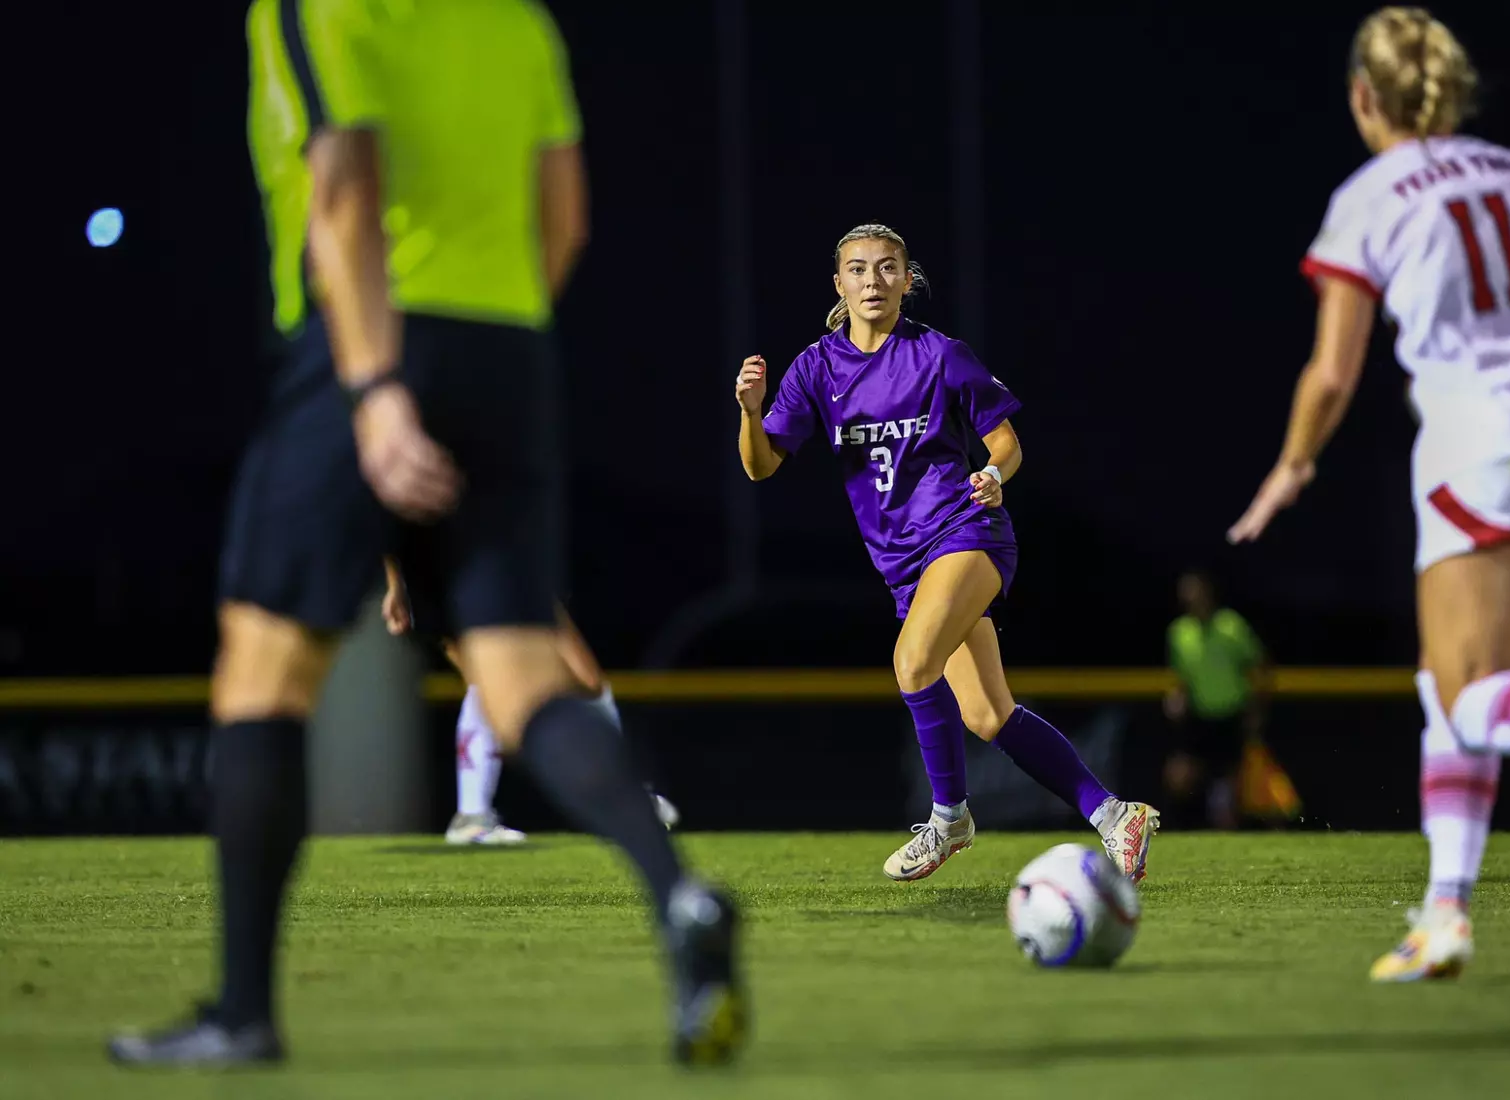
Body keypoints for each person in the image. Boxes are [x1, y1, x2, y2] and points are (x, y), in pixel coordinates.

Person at [109, 0, 744, 1067]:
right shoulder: (520, 25)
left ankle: (244, 1013)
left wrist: (379, 387)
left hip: (365, 339)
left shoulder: (316, 9)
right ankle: (680, 896)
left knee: (262, 677)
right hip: (512, 355)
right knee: (528, 681)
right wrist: (481, 366)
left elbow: (344, 186)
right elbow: (568, 219)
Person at [1227, 7, 1510, 983]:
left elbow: (1332, 374)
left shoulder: (1369, 195)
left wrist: (1294, 461)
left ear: (1363, 98)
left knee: (1465, 688)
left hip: (1482, 448)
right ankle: (1445, 915)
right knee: (1453, 684)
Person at [735, 223, 1161, 884]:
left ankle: (949, 818)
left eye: (886, 269)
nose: (872, 282)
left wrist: (994, 473)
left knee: (912, 661)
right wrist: (749, 410)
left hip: (965, 534)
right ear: (839, 285)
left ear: (908, 280)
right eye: (858, 270)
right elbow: (762, 466)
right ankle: (1114, 814)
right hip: (904, 566)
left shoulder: (940, 356)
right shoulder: (817, 367)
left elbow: (1007, 443)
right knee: (989, 714)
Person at [378, 559, 681, 844]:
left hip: (487, 562)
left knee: (581, 679)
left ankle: (625, 796)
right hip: (451, 567)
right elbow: (394, 514)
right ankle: (472, 815)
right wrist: (396, 583)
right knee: (492, 681)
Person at [1163, 570, 1272, 829]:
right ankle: (1179, 830)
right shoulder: (1179, 632)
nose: (1191, 596)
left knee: (1233, 786)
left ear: (1208, 591)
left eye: (1195, 589)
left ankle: (1233, 837)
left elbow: (1258, 667)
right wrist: (1176, 697)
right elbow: (1182, 678)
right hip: (1200, 718)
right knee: (1179, 777)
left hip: (1232, 716)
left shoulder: (1231, 625)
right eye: (1186, 590)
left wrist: (1256, 710)